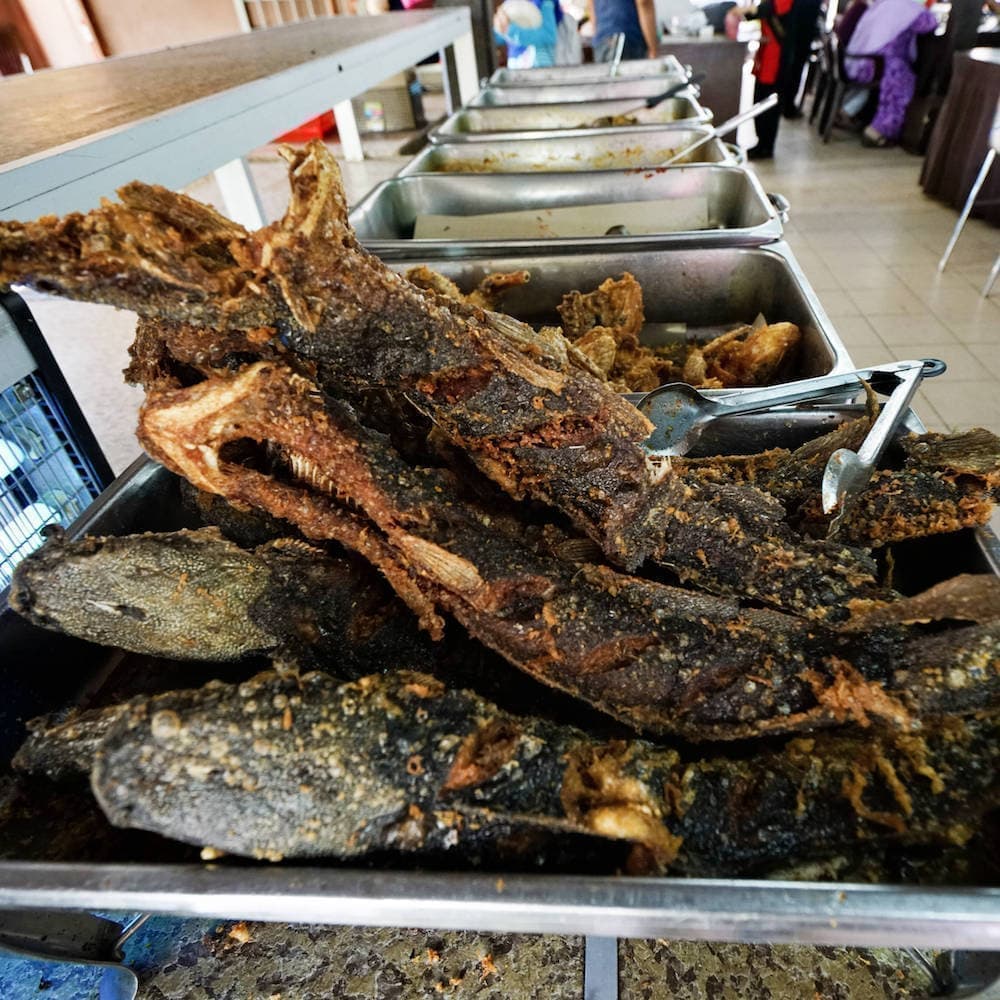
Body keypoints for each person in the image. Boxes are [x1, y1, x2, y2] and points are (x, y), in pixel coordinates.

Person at [844, 0, 937, 146]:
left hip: (857, 61)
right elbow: (929, 24)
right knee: (901, 82)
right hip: (876, 64)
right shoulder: (907, 6)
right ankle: (877, 131)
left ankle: (860, 117)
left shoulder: (881, 4)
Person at [739, 0, 794, 159]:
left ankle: (766, 146)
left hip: (776, 58)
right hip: (766, 56)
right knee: (759, 100)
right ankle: (760, 142)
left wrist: (747, 9)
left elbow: (768, 10)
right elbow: (751, 14)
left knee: (769, 104)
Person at [494, 0, 562, 68]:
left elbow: (548, 36)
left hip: (539, 65)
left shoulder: (545, 2)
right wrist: (499, 27)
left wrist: (510, 30)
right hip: (515, 65)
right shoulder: (509, 4)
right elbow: (501, 37)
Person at [587, 0, 659, 61]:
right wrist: (653, 50)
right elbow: (644, 2)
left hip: (601, 39)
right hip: (628, 38)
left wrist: (597, 33)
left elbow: (590, 5)